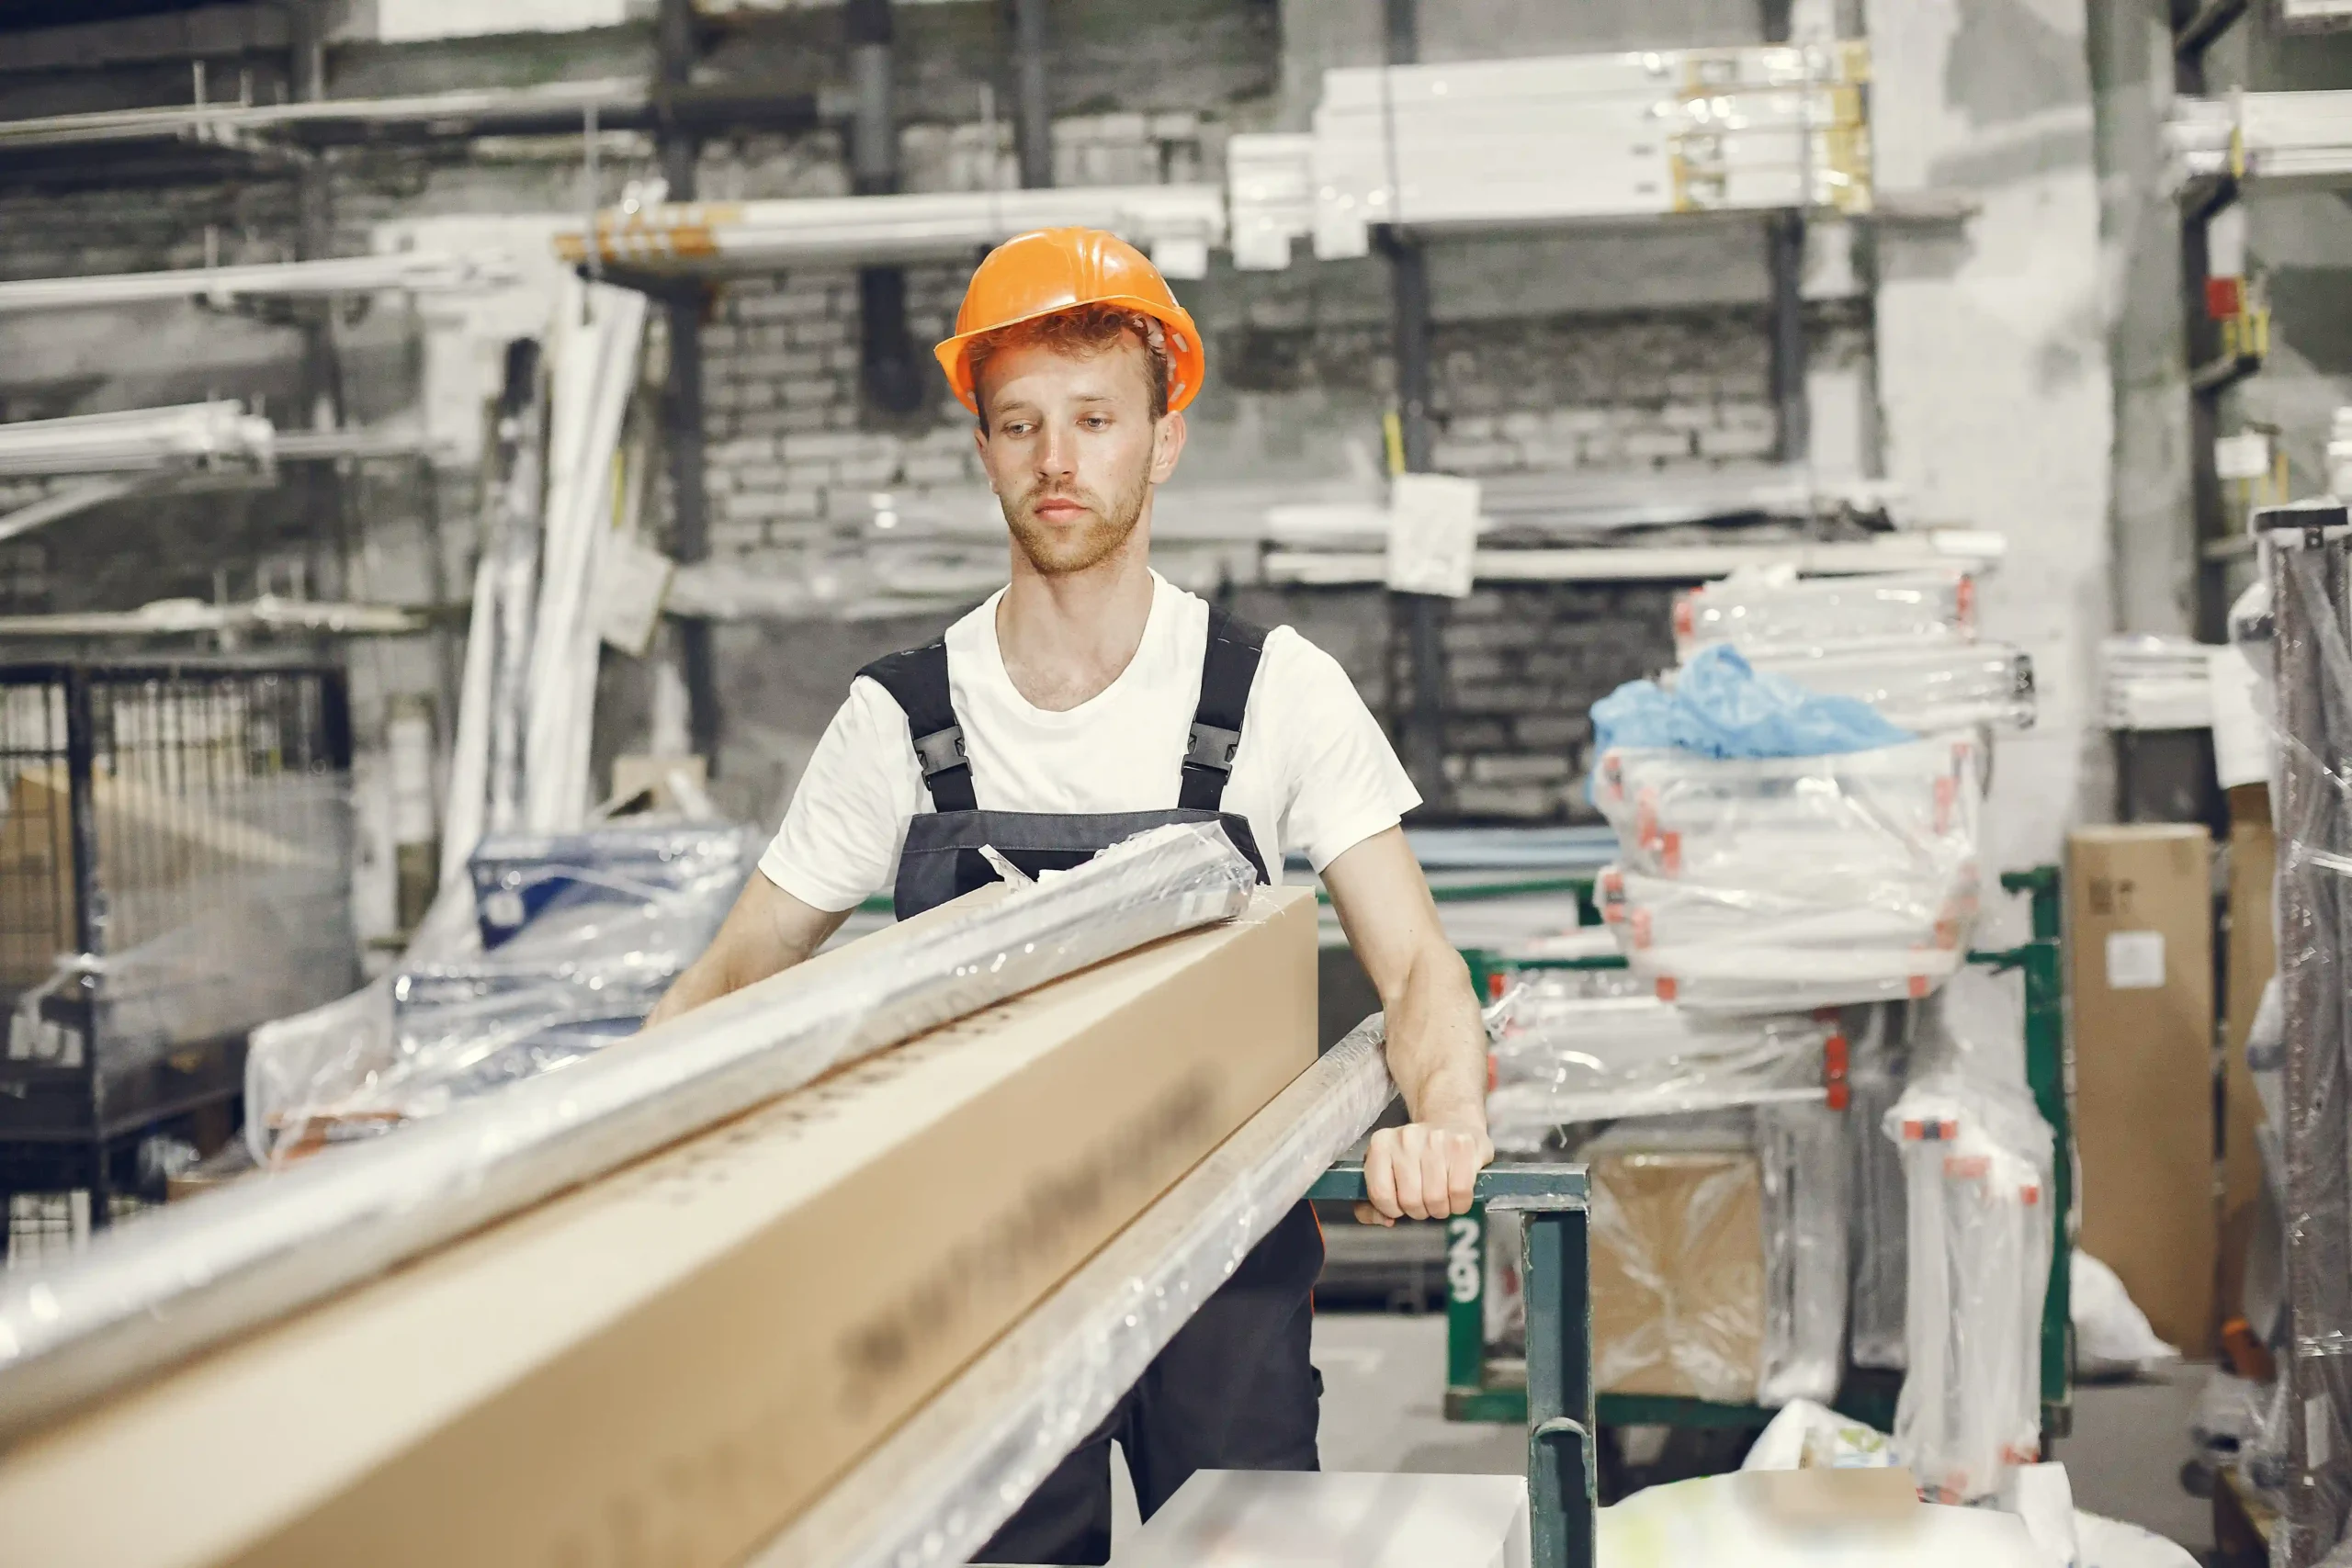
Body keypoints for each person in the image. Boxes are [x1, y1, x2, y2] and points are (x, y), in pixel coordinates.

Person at [644, 226, 1493, 1565]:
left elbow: (1420, 972)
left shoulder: (1274, 692)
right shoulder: (898, 721)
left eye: (1096, 419)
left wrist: (1444, 1117)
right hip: (975, 1284)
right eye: (1021, 423)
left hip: (1223, 1261)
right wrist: (612, 1154)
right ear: (981, 445)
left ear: (1163, 441)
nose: (1058, 459)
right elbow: (732, 979)